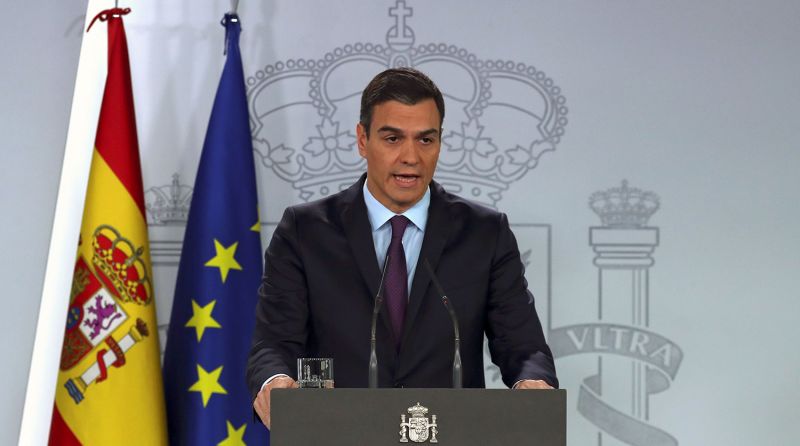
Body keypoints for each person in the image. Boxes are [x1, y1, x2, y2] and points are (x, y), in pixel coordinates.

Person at [247, 67, 557, 428]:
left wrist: (533, 382)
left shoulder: (484, 233)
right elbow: (274, 343)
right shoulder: (305, 232)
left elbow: (523, 344)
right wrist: (275, 382)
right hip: (339, 432)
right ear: (362, 140)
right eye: (393, 138)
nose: (411, 157)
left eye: (425, 140)